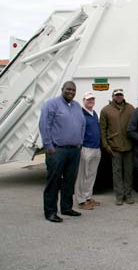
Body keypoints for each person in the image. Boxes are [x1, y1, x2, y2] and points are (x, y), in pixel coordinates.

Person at [39, 81, 85, 222]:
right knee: (54, 181)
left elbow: (82, 124)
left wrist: (80, 142)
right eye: (68, 89)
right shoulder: (51, 104)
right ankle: (50, 212)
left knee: (69, 181)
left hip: (74, 151)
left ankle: (66, 208)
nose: (71, 92)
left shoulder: (77, 106)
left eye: (73, 90)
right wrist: (49, 146)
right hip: (57, 150)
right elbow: (44, 125)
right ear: (62, 89)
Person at [100, 89, 135, 205]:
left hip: (129, 146)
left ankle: (128, 195)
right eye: (116, 95)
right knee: (117, 173)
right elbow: (103, 129)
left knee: (129, 173)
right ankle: (119, 196)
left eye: (120, 95)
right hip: (114, 147)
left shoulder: (130, 108)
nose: (119, 97)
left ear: (123, 96)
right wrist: (106, 145)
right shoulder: (105, 110)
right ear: (113, 96)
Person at [75, 92, 102, 210]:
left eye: (92, 99)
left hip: (96, 148)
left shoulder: (94, 113)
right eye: (88, 99)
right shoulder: (80, 114)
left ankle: (88, 197)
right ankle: (81, 201)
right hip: (85, 148)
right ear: (83, 101)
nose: (90, 101)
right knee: (82, 176)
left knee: (91, 175)